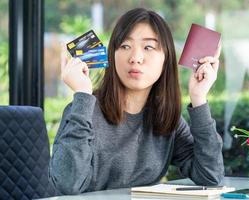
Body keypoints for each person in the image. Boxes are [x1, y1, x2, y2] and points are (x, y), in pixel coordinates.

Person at [49, 7, 224, 195]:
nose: (135, 58)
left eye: (148, 47)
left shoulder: (166, 118)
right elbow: (67, 185)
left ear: (166, 59)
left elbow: (211, 176)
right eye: (125, 46)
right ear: (112, 55)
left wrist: (199, 99)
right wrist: (83, 95)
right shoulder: (83, 111)